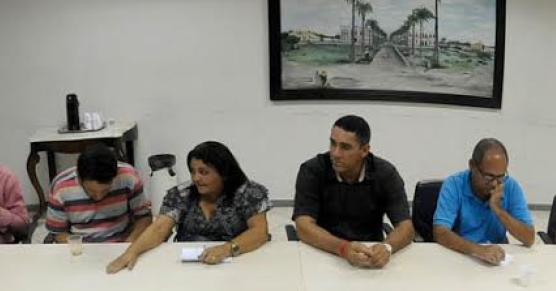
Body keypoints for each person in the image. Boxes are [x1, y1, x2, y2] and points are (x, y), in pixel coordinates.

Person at [107, 142, 269, 273]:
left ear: (224, 173)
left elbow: (259, 232)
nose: (196, 178)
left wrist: (227, 249)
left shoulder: (248, 193)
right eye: (193, 171)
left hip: (239, 261)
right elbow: (159, 228)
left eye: (203, 172)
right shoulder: (180, 195)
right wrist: (132, 252)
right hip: (190, 266)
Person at [292, 115, 413, 269]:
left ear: (364, 150)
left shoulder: (385, 174)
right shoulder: (312, 170)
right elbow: (303, 226)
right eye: (332, 143)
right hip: (323, 250)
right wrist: (343, 248)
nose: (335, 153)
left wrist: (387, 247)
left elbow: (406, 227)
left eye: (345, 147)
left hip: (369, 254)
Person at [433, 138, 535, 265]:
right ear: (472, 166)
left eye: (500, 176)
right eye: (489, 176)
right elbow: (440, 232)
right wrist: (478, 250)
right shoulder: (454, 185)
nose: (494, 183)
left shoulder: (510, 186)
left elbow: (529, 238)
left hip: (498, 257)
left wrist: (498, 209)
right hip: (463, 255)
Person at [44, 144, 152, 244]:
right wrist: (85, 250)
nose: (99, 197)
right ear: (80, 178)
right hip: (82, 246)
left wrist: (128, 244)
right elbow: (58, 233)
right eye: (91, 191)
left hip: (122, 242)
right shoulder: (61, 187)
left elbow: (144, 217)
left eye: (105, 190)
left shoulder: (129, 177)